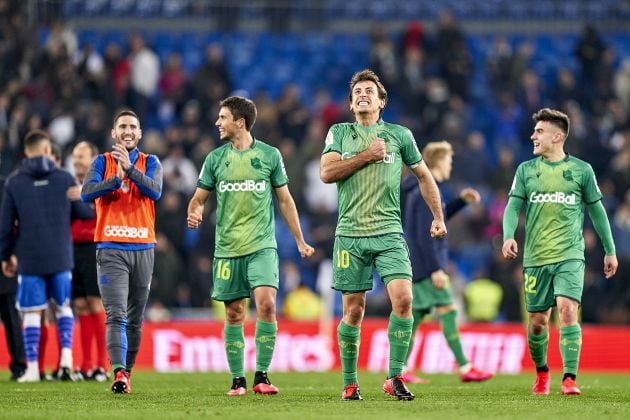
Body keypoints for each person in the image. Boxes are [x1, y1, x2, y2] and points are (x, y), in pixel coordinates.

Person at [319, 69, 447, 401]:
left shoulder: (400, 135)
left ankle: (394, 376)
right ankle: (350, 382)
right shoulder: (340, 133)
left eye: (369, 91)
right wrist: (366, 156)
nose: (362, 94)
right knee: (354, 311)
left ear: (382, 101)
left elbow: (424, 175)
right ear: (350, 104)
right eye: (357, 92)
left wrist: (437, 215)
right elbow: (327, 172)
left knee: (404, 299)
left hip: (390, 232)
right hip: (350, 234)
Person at [187, 96, 314, 396]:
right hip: (228, 248)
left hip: (262, 246)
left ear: (239, 122)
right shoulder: (215, 159)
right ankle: (237, 380)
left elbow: (284, 200)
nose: (217, 123)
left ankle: (262, 376)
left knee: (267, 304)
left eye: (222, 118)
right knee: (234, 314)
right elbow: (198, 198)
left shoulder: (269, 156)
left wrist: (299, 239)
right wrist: (195, 210)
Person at [502, 108, 618, 395]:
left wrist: (609, 250)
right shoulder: (526, 170)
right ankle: (542, 373)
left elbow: (597, 212)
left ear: (558, 136)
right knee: (538, 323)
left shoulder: (582, 170)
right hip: (536, 258)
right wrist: (507, 236)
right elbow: (513, 206)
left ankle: (569, 378)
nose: (533, 136)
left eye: (539, 131)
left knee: (567, 311)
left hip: (570, 256)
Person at [81, 109, 163, 394]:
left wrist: (130, 171)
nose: (128, 131)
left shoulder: (151, 162)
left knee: (136, 317)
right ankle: (118, 374)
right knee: (116, 314)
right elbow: (86, 192)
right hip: (111, 248)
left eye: (133, 127)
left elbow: (155, 191)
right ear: (114, 133)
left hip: (143, 247)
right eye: (122, 127)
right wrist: (115, 180)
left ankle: (127, 373)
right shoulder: (101, 162)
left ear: (139, 134)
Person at [0, 130, 91, 382]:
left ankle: (30, 369)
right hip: (61, 256)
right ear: (47, 150)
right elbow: (85, 212)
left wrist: (5, 256)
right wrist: (84, 194)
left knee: (31, 312)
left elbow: (6, 227)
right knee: (63, 308)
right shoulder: (65, 179)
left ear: (27, 152)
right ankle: (66, 361)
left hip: (29, 258)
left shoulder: (15, 182)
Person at [401, 141, 494, 384]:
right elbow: (424, 233)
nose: (451, 164)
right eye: (449, 160)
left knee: (417, 316)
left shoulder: (423, 188)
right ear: (439, 162)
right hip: (426, 265)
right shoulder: (425, 190)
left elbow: (438, 217)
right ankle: (465, 367)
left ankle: (400, 368)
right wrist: (436, 269)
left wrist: (460, 201)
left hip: (418, 265)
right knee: (448, 310)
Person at [70, 141, 109, 381]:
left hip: (96, 248)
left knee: (96, 304)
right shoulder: (68, 186)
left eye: (82, 157)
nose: (77, 162)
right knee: (81, 306)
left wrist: (79, 198)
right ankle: (85, 365)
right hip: (73, 250)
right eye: (75, 157)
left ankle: (102, 365)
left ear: (94, 159)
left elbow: (97, 213)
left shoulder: (101, 184)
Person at [0, 174, 27, 381]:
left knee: (10, 313)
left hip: (4, 259)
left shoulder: (7, 187)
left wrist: (14, 254)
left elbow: (19, 223)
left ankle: (20, 365)